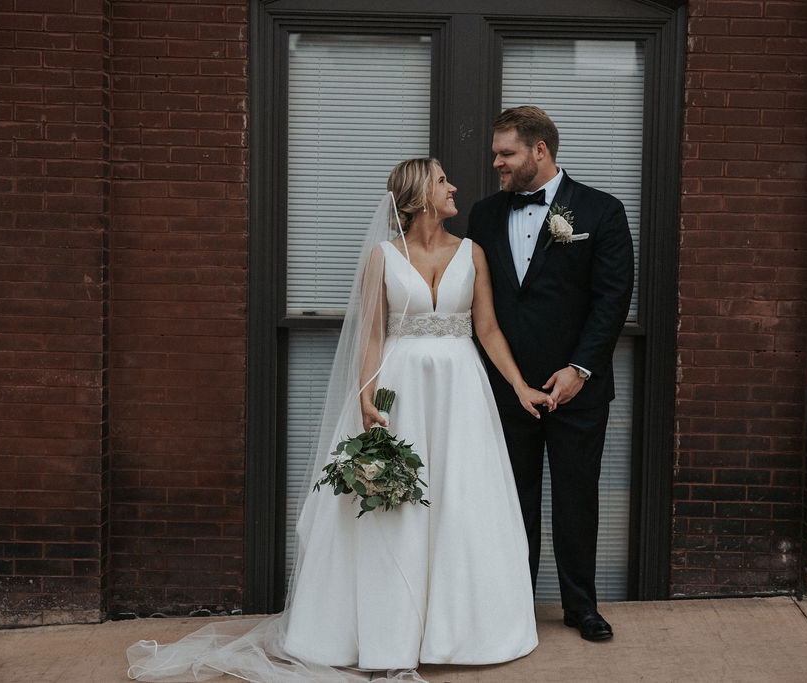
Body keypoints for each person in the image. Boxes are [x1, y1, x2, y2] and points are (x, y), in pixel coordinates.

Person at [127, 158, 547, 681]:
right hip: (400, 390)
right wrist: (368, 398)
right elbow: (371, 334)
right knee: (395, 507)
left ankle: (459, 631)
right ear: (419, 195)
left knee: (461, 498)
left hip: (461, 392)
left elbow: (487, 329)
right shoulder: (382, 257)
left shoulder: (473, 252)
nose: (453, 186)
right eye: (442, 180)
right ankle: (390, 630)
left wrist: (520, 386)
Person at [467, 106, 634, 642]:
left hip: (577, 389)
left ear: (539, 151)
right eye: (496, 153)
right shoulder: (483, 215)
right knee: (511, 501)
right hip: (507, 387)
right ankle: (514, 608)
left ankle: (580, 607)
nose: (496, 162)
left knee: (576, 499)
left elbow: (612, 299)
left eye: (506, 153)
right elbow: (482, 305)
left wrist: (580, 369)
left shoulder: (601, 211)